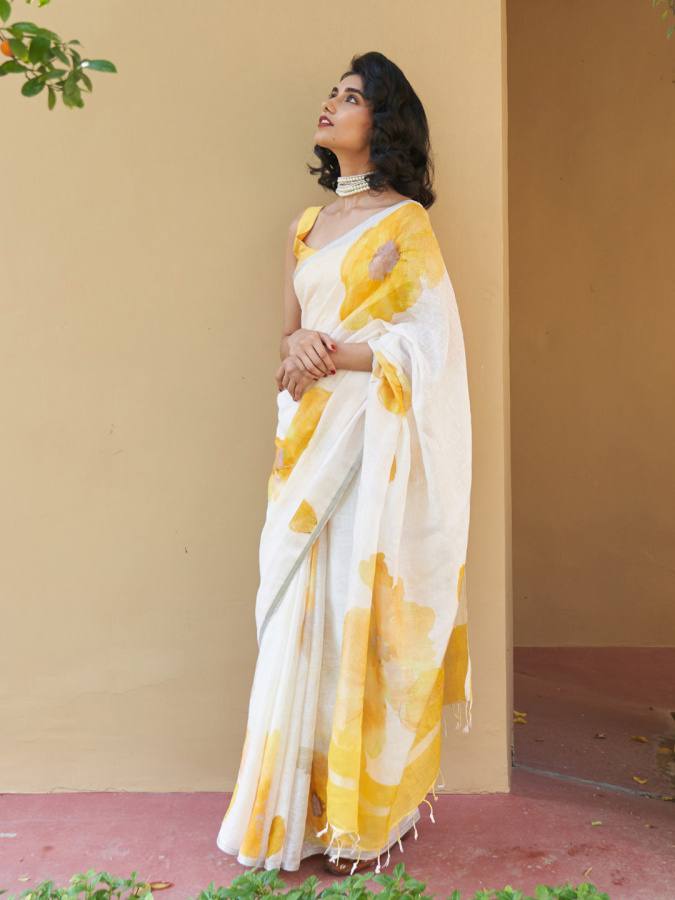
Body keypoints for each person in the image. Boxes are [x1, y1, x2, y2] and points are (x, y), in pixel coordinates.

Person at [216, 50, 473, 877]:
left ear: (382, 122)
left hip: (368, 444)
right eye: (332, 93)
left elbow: (429, 346)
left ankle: (357, 820)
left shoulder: (405, 224)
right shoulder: (305, 225)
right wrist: (299, 345)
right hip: (307, 442)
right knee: (296, 618)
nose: (331, 104)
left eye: (351, 97)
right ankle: (289, 814)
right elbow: (289, 336)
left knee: (348, 619)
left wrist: (329, 352)